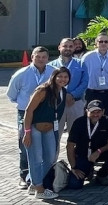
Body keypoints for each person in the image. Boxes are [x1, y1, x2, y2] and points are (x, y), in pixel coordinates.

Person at [9, 47, 56, 189]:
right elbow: (12, 95)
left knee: (45, 148)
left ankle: (38, 178)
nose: (41, 59)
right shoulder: (21, 74)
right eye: (38, 56)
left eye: (44, 57)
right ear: (32, 57)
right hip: (25, 113)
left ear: (48, 58)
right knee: (25, 146)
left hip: (45, 115)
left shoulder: (52, 72)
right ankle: (24, 176)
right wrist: (26, 104)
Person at [21, 67, 69, 199]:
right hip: (34, 128)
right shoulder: (43, 90)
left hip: (50, 129)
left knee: (50, 157)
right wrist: (27, 132)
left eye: (65, 77)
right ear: (53, 77)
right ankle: (39, 190)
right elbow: (28, 111)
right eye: (60, 76)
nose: (62, 79)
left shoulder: (63, 92)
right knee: (35, 158)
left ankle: (34, 183)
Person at [57, 100, 108, 189]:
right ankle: (88, 170)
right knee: (74, 185)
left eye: (98, 112)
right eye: (92, 112)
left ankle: (102, 175)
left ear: (103, 112)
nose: (95, 114)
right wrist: (74, 168)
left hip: (100, 152)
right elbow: (70, 146)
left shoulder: (107, 122)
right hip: (82, 154)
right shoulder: (79, 122)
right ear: (86, 111)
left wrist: (99, 151)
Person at [49, 38, 89, 139]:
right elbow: (49, 84)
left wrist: (72, 95)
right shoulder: (51, 66)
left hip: (75, 103)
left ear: (74, 48)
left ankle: (75, 155)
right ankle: (54, 155)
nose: (68, 48)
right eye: (65, 46)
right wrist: (62, 96)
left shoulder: (81, 64)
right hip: (56, 104)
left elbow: (84, 83)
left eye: (71, 46)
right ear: (59, 47)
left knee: (76, 136)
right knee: (55, 136)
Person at [83, 33, 108, 118]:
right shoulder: (87, 57)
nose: (103, 44)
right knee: (91, 117)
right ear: (96, 43)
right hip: (92, 93)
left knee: (107, 117)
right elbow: (82, 74)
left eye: (106, 41)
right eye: (101, 41)